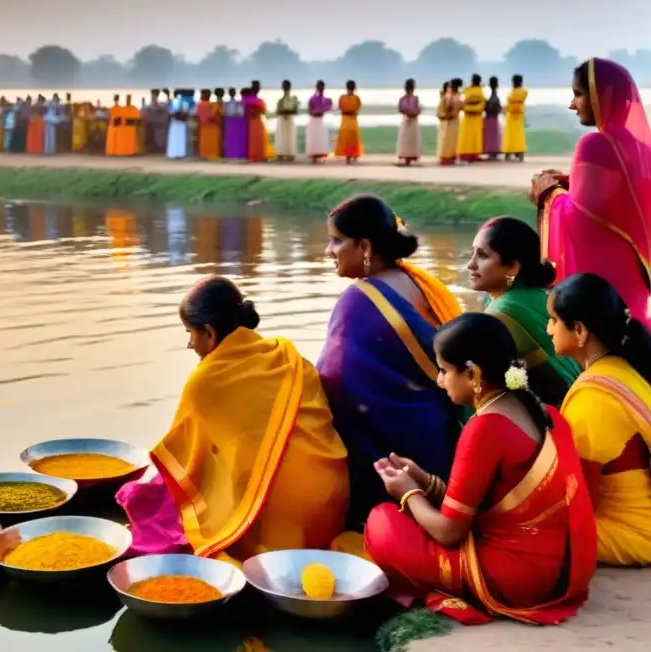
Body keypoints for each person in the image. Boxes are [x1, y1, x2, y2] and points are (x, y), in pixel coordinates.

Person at [364, 313, 597, 625]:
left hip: (513, 582)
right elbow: (490, 504)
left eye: (444, 370)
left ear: (472, 373)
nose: (439, 380)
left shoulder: (486, 427)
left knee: (382, 523)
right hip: (556, 571)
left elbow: (449, 532)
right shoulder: (547, 414)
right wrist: (426, 481)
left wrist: (409, 493)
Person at [119, 277, 349, 562]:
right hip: (330, 504)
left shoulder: (206, 381)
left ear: (210, 332)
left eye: (190, 333)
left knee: (159, 497)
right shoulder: (288, 356)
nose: (189, 344)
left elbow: (185, 458)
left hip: (282, 522)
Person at [317, 195, 463, 525]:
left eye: (337, 240)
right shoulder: (421, 283)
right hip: (440, 443)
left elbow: (334, 381)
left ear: (365, 248)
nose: (328, 251)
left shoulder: (358, 300)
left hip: (396, 456)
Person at [531, 58, 651, 330]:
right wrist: (571, 183)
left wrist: (549, 192)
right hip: (630, 274)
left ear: (601, 95)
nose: (572, 105)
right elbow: (611, 200)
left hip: (602, 274)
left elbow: (580, 220)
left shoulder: (594, 143)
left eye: (578, 94)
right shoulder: (638, 146)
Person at [550, 273, 651, 565]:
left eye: (554, 320)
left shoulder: (594, 395)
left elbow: (581, 503)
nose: (548, 329)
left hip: (635, 534)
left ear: (579, 330)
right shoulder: (624, 368)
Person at [467, 217, 580, 407]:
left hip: (554, 416)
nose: (471, 264)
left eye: (482, 256)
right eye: (472, 253)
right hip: (574, 399)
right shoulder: (540, 293)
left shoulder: (501, 313)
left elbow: (478, 387)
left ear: (512, 266)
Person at [457, 74, 485, 163]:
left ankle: (465, 154)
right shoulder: (480, 91)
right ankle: (475, 154)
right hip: (476, 117)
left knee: (466, 136)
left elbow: (463, 103)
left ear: (472, 81)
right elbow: (482, 105)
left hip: (468, 116)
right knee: (475, 136)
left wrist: (466, 108)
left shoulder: (467, 91)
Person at [333, 81, 362, 164]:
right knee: (353, 138)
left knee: (346, 138)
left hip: (345, 120)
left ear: (346, 87)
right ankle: (354, 155)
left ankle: (348, 157)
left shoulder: (342, 97)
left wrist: (346, 111)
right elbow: (357, 108)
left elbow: (340, 107)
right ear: (354, 88)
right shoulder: (356, 98)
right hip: (352, 120)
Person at [396, 79, 422, 166]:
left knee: (406, 140)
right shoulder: (414, 99)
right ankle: (409, 158)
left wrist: (408, 113)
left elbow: (400, 109)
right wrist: (411, 113)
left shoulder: (403, 99)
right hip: (410, 120)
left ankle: (407, 158)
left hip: (407, 119)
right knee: (409, 140)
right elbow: (418, 110)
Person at [502, 75, 528, 160]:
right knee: (519, 135)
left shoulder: (512, 92)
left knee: (509, 135)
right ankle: (520, 152)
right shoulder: (524, 92)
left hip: (510, 115)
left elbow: (509, 103)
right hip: (519, 115)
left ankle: (508, 152)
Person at [306, 81, 333, 162]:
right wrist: (314, 112)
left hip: (320, 120)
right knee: (315, 138)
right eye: (320, 87)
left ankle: (319, 155)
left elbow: (328, 107)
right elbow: (309, 109)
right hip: (314, 119)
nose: (321, 88)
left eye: (322, 87)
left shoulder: (324, 99)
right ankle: (314, 156)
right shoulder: (313, 98)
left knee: (320, 138)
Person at [438, 80, 462, 166]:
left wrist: (445, 115)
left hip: (451, 120)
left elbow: (452, 109)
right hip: (451, 120)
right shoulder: (454, 96)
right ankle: (447, 158)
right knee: (449, 139)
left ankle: (447, 158)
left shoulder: (454, 96)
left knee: (448, 140)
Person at [274, 80, 299, 161]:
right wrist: (284, 111)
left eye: (286, 86)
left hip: (290, 119)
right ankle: (281, 153)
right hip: (282, 119)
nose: (285, 88)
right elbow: (277, 111)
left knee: (290, 136)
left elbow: (295, 110)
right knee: (281, 136)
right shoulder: (280, 100)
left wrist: (288, 111)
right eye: (284, 86)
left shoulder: (293, 99)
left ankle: (290, 153)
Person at [245, 82, 269, 162]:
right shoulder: (247, 99)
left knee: (261, 137)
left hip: (258, 120)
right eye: (255, 87)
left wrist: (258, 111)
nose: (257, 89)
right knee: (252, 138)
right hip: (251, 121)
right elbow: (244, 110)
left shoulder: (260, 100)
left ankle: (261, 155)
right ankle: (253, 155)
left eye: (258, 88)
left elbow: (264, 111)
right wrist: (251, 112)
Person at [196, 88, 222, 160]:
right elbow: (219, 115)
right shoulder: (213, 104)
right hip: (210, 126)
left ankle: (205, 154)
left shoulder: (199, 105)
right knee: (208, 142)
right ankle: (210, 155)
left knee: (206, 142)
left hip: (207, 127)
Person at [223, 88, 247, 160]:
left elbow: (241, 113)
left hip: (237, 123)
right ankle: (230, 154)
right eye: (231, 92)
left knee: (236, 139)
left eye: (233, 92)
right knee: (230, 139)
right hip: (229, 123)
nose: (232, 93)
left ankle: (238, 154)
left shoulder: (238, 103)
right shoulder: (226, 103)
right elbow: (224, 113)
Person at [143, 89, 169, 156]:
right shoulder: (151, 107)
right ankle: (153, 149)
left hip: (157, 125)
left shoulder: (158, 107)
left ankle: (155, 149)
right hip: (153, 125)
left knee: (158, 138)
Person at [483, 77, 502, 160]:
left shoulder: (492, 97)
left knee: (491, 135)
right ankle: (493, 152)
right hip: (493, 117)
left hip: (490, 117)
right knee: (494, 135)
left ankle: (492, 152)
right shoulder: (495, 97)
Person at [166, 89, 189, 160]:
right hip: (175, 123)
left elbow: (185, 113)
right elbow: (170, 113)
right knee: (175, 139)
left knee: (179, 139)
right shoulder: (173, 102)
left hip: (180, 123)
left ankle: (179, 154)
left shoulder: (184, 103)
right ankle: (174, 154)